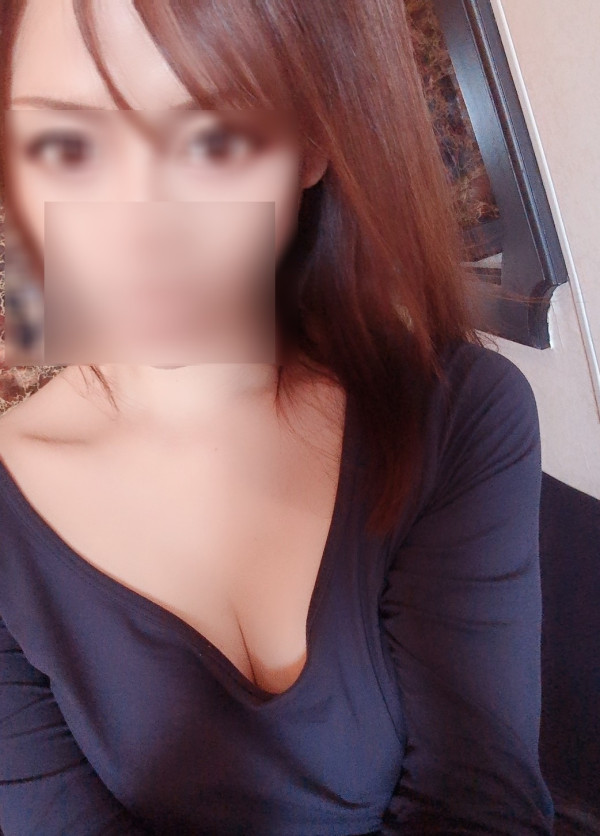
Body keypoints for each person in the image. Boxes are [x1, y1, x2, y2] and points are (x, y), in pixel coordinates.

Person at [0, 0, 555, 833]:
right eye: (68, 145)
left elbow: (479, 807)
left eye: (215, 140)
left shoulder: (457, 417)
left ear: (311, 143)